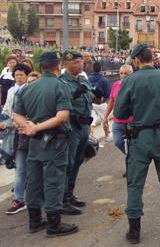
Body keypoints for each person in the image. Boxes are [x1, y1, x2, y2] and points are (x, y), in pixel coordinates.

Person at [114, 44, 160, 244]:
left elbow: (119, 113)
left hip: (139, 138)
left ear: (137, 60)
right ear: (151, 59)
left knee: (135, 184)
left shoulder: (130, 81)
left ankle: (134, 232)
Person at [13, 51, 78, 236]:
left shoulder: (28, 87)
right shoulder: (60, 86)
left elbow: (16, 114)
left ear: (41, 67)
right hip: (54, 142)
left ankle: (34, 220)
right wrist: (37, 127)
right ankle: (53, 225)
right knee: (54, 181)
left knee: (33, 180)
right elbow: (62, 115)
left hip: (34, 142)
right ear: (58, 66)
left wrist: (29, 127)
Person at [60, 51, 94, 216]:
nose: (80, 64)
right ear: (66, 65)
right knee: (69, 162)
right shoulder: (62, 83)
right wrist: (73, 95)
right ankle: (63, 198)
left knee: (79, 160)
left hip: (84, 127)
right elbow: (60, 103)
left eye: (80, 62)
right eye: (75, 62)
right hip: (72, 127)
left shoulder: (82, 80)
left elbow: (91, 98)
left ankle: (70, 193)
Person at [3, 63, 31, 215]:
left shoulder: (32, 89)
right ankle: (19, 199)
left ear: (27, 75)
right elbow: (7, 109)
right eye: (16, 75)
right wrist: (8, 121)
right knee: (20, 168)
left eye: (21, 74)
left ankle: (35, 198)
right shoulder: (11, 91)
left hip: (32, 132)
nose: (18, 77)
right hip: (17, 134)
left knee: (33, 168)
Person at [103, 65, 133, 173]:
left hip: (131, 121)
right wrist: (105, 116)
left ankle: (130, 165)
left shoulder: (135, 86)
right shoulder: (116, 85)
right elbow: (111, 102)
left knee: (131, 145)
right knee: (117, 142)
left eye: (126, 73)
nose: (123, 76)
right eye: (121, 73)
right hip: (117, 121)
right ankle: (132, 158)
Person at [88, 62, 112, 141]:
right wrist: (104, 98)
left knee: (91, 121)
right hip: (101, 103)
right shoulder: (104, 79)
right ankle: (107, 135)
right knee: (105, 119)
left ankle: (91, 138)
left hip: (91, 103)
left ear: (93, 68)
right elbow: (108, 92)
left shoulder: (88, 79)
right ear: (101, 69)